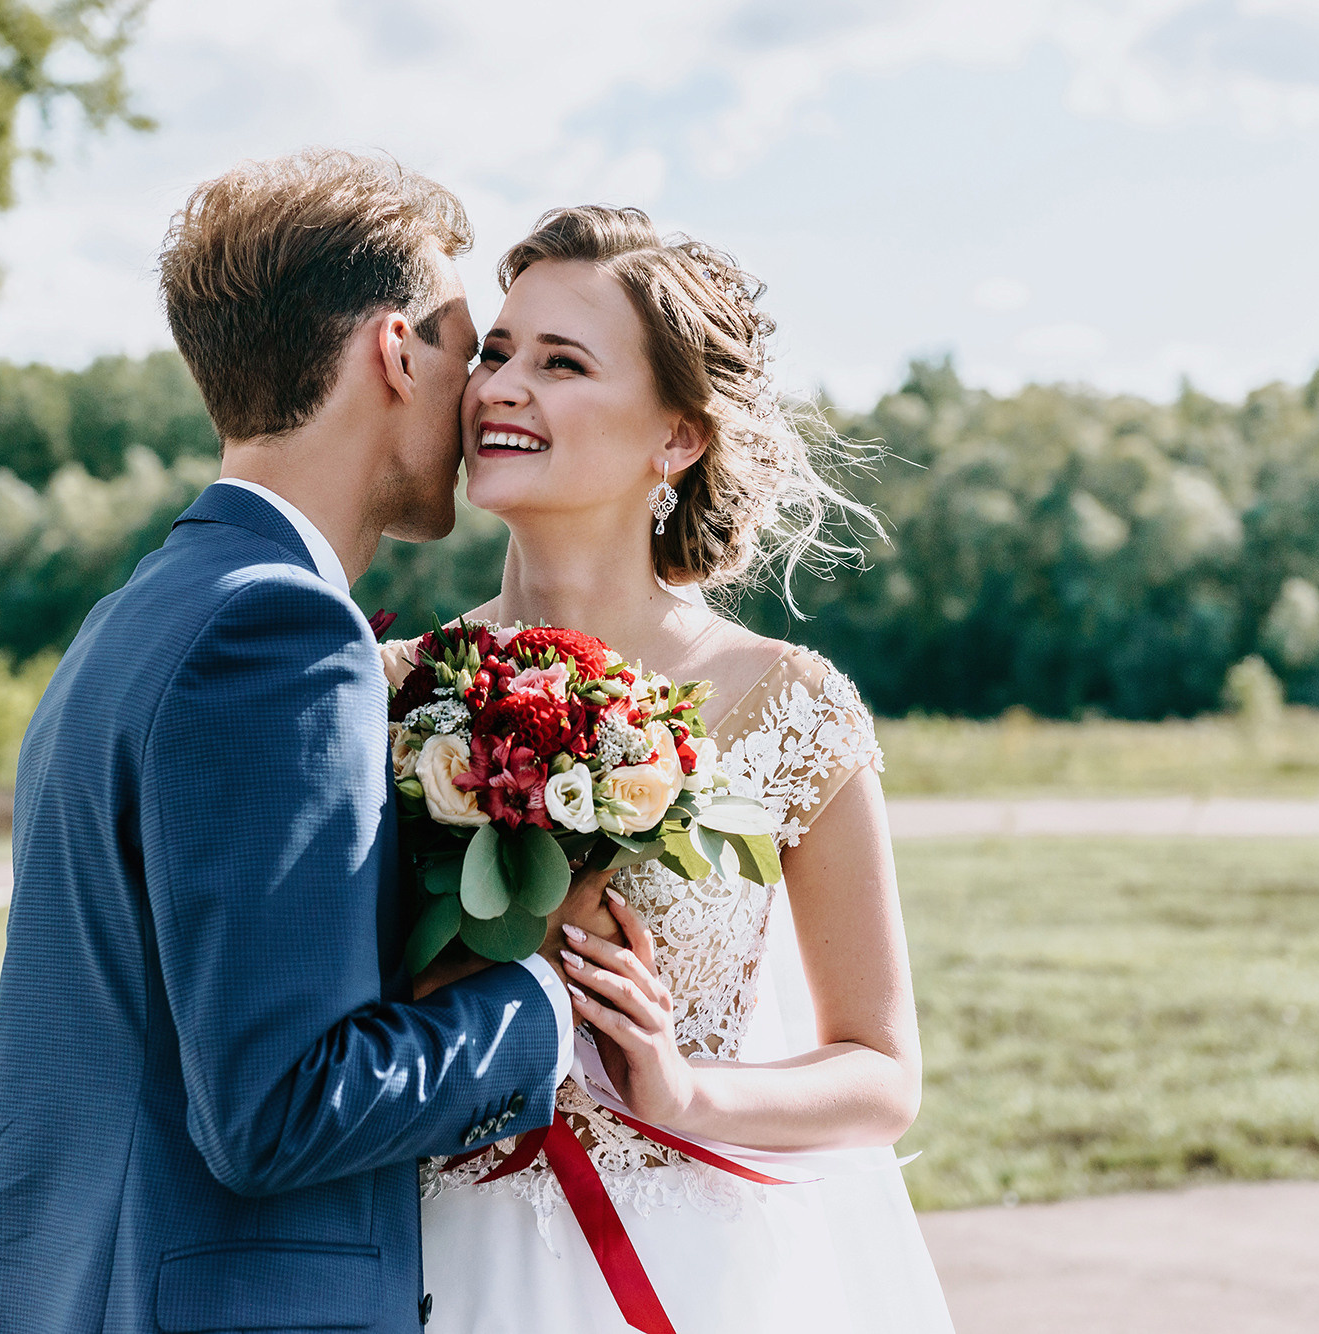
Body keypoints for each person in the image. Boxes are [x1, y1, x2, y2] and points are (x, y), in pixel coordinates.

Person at [0, 151, 616, 1334]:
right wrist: (544, 1002)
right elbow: (280, 1106)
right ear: (394, 352)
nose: (483, 394)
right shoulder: (277, 630)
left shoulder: (143, 608)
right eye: (468, 346)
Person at [396, 207, 955, 1332]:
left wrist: (688, 1090)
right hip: (431, 1260)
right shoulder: (395, 689)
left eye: (561, 362)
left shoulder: (788, 703)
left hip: (691, 1267)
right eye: (497, 352)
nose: (502, 386)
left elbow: (879, 1073)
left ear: (676, 437)